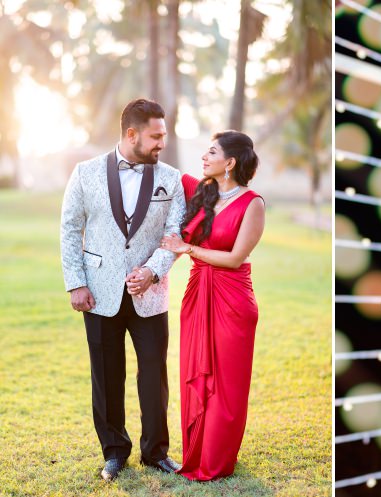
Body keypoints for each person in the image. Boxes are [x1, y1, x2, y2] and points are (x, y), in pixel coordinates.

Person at [60, 98, 185, 481]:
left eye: (163, 136)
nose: (162, 143)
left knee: (153, 376)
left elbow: (173, 236)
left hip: (151, 296)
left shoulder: (172, 178)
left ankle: (156, 452)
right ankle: (114, 452)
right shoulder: (84, 173)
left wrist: (152, 271)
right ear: (131, 134)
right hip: (98, 293)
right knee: (106, 375)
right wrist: (76, 283)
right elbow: (69, 229)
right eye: (155, 136)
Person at [159, 130, 266, 481]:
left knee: (226, 385)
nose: (204, 158)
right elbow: (162, 169)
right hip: (197, 295)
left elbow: (235, 258)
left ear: (230, 162)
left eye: (211, 152)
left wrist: (185, 248)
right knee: (196, 377)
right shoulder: (200, 189)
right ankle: (195, 452)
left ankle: (217, 459)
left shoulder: (253, 203)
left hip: (232, 300)